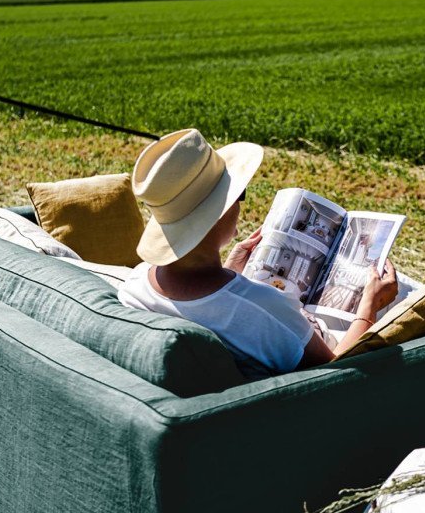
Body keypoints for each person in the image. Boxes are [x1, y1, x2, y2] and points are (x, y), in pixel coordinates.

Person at [118, 128, 398, 375]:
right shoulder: (258, 309)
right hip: (326, 346)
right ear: (219, 212)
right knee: (399, 291)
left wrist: (230, 270)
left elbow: (209, 305)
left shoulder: (137, 284)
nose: (240, 205)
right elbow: (334, 368)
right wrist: (369, 307)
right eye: (238, 195)